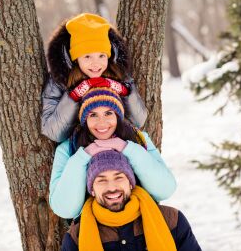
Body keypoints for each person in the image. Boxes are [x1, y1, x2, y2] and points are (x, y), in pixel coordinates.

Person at [49, 87, 177, 218]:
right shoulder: (68, 148)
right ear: (84, 120)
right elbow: (64, 209)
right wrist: (83, 156)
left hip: (138, 221)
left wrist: (126, 148)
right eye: (93, 115)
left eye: (108, 113)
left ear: (117, 116)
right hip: (94, 228)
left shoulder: (139, 139)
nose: (102, 122)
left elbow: (165, 190)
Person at [61, 150, 202, 251]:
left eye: (119, 177)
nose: (112, 187)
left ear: (130, 183)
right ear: (92, 190)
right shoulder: (77, 237)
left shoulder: (172, 220)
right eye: (101, 180)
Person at [41, 13, 148, 143]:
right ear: (75, 59)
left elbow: (139, 120)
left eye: (101, 56)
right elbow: (53, 132)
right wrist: (75, 95)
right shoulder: (60, 80)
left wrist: (123, 91)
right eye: (87, 57)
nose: (96, 63)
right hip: (79, 146)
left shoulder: (118, 73)